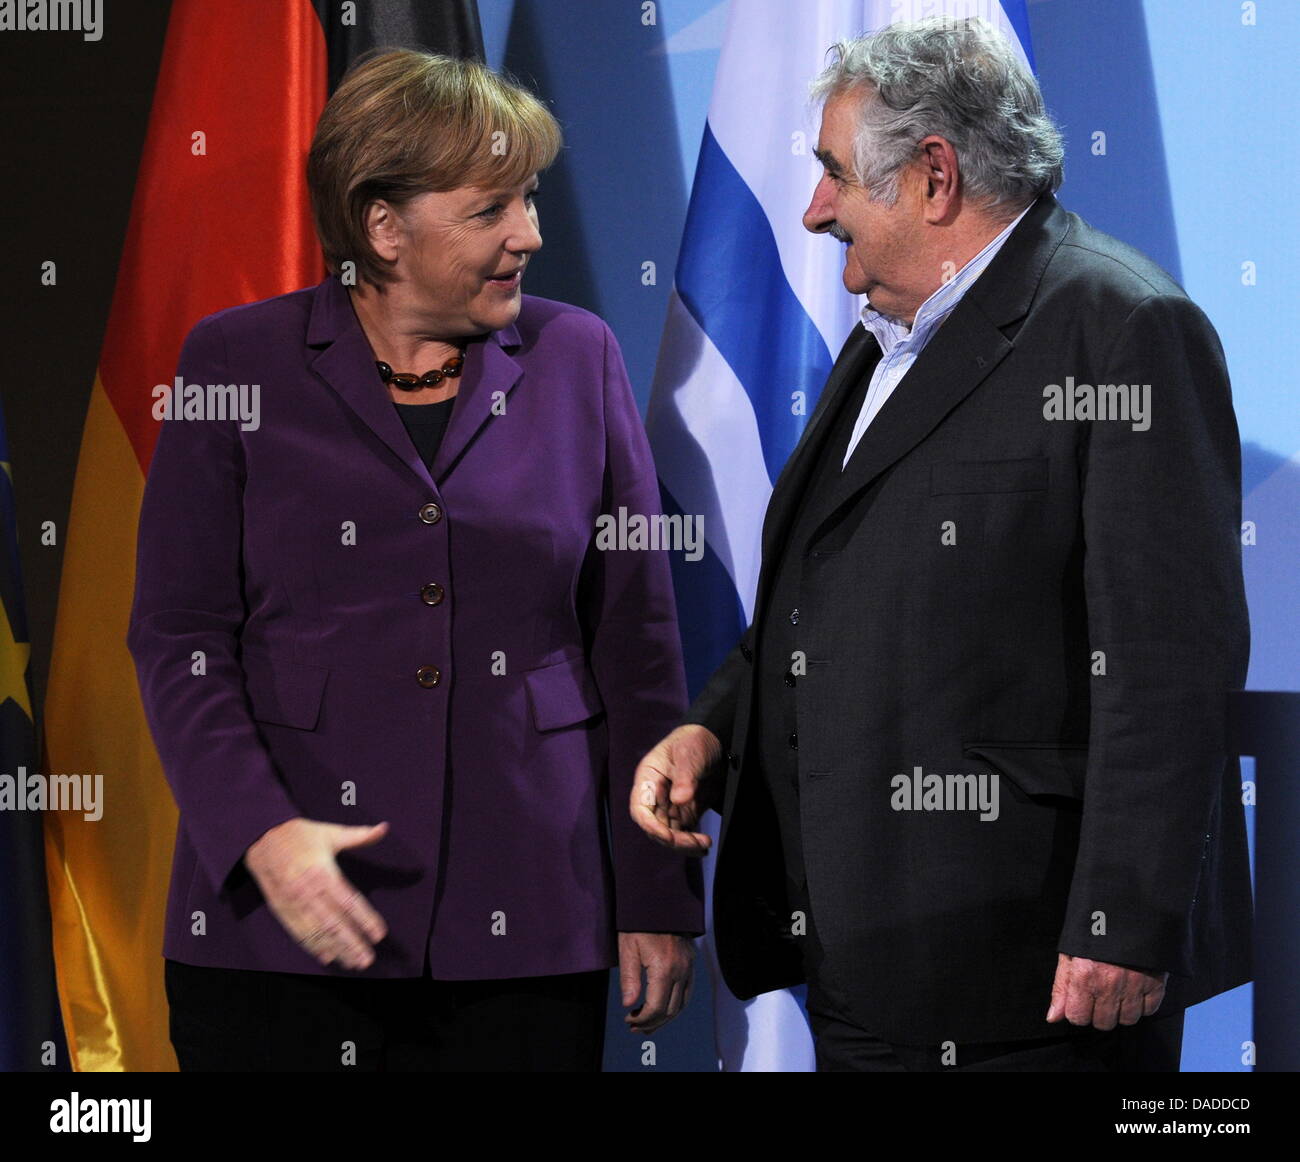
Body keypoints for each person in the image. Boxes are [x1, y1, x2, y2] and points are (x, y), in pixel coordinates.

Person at [631, 17, 1250, 1073]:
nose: (812, 210)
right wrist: (713, 734)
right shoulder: (886, 336)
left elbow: (1168, 661)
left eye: (833, 174)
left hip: (1034, 980)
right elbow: (820, 592)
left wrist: (1122, 922)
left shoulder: (1119, 326)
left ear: (932, 175)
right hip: (865, 963)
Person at [128, 49, 702, 1073]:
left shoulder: (580, 358)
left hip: (528, 920)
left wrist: (657, 891)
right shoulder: (235, 362)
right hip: (280, 934)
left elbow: (638, 646)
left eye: (527, 199)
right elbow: (178, 637)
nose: (530, 233)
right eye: (492, 210)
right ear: (384, 227)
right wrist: (258, 833)